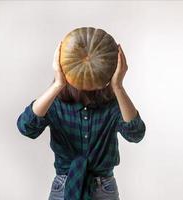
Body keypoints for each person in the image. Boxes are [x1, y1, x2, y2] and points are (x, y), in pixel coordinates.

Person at [16, 41, 146, 200]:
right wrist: (58, 84)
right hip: (64, 187)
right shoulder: (55, 103)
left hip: (103, 188)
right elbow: (26, 127)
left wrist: (118, 86)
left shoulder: (113, 105)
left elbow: (136, 134)